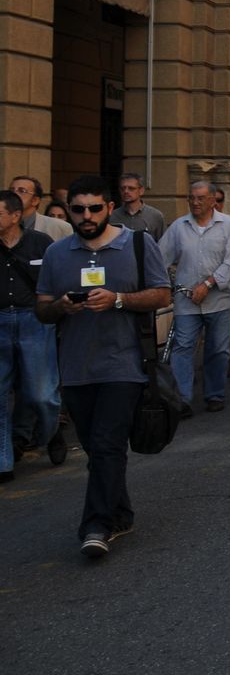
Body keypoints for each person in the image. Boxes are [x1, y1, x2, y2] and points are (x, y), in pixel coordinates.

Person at [35, 175, 173, 556]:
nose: (87, 216)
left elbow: (161, 294)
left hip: (125, 363)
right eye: (78, 209)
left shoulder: (138, 244)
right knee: (97, 449)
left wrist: (118, 300)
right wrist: (61, 306)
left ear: (109, 208)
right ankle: (121, 512)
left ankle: (96, 525)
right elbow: (42, 309)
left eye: (95, 208)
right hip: (76, 368)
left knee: (107, 443)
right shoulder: (56, 253)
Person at [161, 180, 230, 415]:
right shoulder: (179, 227)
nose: (195, 202)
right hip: (186, 299)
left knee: (218, 349)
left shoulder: (228, 225)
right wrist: (162, 285)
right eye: (191, 198)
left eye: (200, 198)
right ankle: (182, 399)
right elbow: (160, 257)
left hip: (219, 300)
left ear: (212, 200)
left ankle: (215, 394)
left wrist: (208, 284)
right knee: (182, 347)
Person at [1, 189, 60, 484]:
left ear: (15, 216)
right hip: (0, 320)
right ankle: (4, 462)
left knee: (41, 393)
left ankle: (52, 431)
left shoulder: (40, 243)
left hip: (34, 320)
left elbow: (57, 280)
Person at [10, 175, 73, 242]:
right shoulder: (4, 224)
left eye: (22, 191)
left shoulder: (60, 227)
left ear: (35, 200)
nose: (14, 194)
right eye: (11, 190)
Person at [109, 172, 165, 240]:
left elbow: (162, 244)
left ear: (141, 191)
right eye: (122, 188)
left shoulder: (155, 216)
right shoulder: (112, 216)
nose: (126, 191)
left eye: (131, 188)